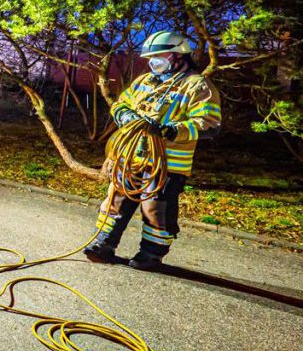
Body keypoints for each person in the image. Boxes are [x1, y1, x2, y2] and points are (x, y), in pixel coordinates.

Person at [84, 31, 221, 270]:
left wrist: (170, 131)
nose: (153, 60)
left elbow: (209, 124)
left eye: (159, 55)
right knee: (116, 198)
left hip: (168, 163)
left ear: (179, 54)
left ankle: (151, 254)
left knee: (155, 208)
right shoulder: (145, 81)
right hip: (131, 157)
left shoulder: (197, 86)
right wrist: (124, 114)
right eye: (150, 56)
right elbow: (121, 103)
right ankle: (104, 243)